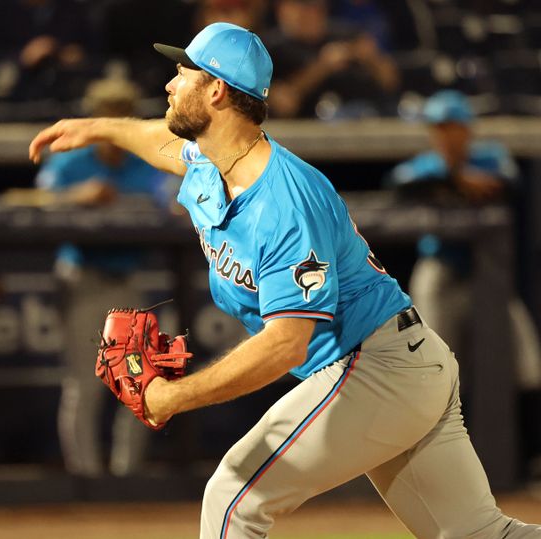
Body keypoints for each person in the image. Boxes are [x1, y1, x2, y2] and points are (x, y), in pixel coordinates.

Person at [29, 22, 541, 538]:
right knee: (480, 534)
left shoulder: (283, 201)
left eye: (182, 72)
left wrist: (172, 397)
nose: (169, 83)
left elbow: (285, 347)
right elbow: (157, 140)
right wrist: (96, 127)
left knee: (231, 495)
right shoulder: (211, 161)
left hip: (375, 366)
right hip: (404, 362)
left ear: (216, 90)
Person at [386, 89, 541, 482]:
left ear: (466, 129)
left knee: (526, 363)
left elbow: (510, 183)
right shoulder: (425, 165)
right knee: (432, 367)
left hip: (488, 276)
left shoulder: (491, 157)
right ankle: (432, 465)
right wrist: (455, 178)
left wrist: (461, 178)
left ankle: (531, 459)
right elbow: (400, 184)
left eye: (453, 127)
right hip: (440, 272)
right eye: (439, 128)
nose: (446, 136)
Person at [35, 77, 174, 477]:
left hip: (127, 278)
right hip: (83, 277)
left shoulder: (145, 159)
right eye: (108, 111)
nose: (115, 118)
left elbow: (173, 196)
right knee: (84, 381)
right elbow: (39, 207)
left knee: (139, 381)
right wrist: (77, 198)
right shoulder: (70, 160)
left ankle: (126, 476)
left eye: (122, 110)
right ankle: (85, 478)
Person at [263, 0, 399, 119]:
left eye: (317, 8)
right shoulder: (270, 49)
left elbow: (390, 81)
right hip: (306, 129)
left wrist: (372, 60)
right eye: (304, 9)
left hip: (365, 118)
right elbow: (284, 105)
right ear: (283, 10)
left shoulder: (348, 35)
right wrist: (322, 67)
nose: (312, 15)